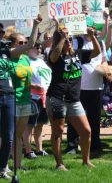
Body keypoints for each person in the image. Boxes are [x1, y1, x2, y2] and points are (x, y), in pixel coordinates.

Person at [46, 25, 100, 170]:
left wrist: (92, 36)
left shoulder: (78, 54)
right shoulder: (54, 54)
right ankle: (59, 164)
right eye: (66, 39)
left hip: (74, 100)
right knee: (58, 132)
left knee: (86, 130)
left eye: (70, 38)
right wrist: (62, 38)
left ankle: (86, 161)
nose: (69, 41)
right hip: (57, 98)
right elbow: (53, 57)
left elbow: (97, 52)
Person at [0, 15, 41, 179]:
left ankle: (3, 168)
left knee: (9, 136)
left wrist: (36, 25)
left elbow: (31, 44)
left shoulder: (6, 52)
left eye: (0, 31)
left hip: (9, 96)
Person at [65, 16, 108, 154]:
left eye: (90, 27)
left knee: (94, 118)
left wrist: (107, 71)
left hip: (96, 87)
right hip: (79, 87)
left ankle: (95, 145)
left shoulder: (100, 43)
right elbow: (71, 54)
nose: (87, 30)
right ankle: (72, 145)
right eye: (85, 27)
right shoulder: (77, 41)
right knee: (75, 117)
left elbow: (103, 60)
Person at [23, 42, 52, 159]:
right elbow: (21, 79)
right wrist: (33, 86)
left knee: (40, 124)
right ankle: (28, 150)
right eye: (36, 47)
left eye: (40, 48)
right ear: (28, 49)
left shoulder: (41, 61)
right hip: (31, 97)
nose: (39, 50)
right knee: (29, 125)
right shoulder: (25, 61)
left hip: (43, 96)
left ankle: (39, 149)